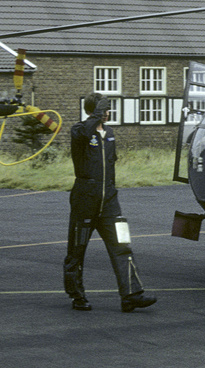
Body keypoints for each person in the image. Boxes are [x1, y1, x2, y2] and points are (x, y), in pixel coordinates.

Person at [63, 92, 157, 313]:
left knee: (122, 246)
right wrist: (95, 115)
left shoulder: (110, 133)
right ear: (92, 111)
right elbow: (86, 132)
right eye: (103, 109)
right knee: (76, 250)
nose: (107, 113)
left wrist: (111, 193)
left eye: (107, 108)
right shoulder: (79, 130)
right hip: (85, 200)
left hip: (110, 202)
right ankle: (77, 295)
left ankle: (131, 295)